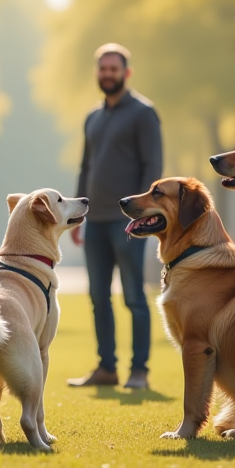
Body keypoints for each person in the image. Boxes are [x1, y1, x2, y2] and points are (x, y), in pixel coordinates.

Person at [66, 43, 163, 390]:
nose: (107, 74)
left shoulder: (143, 113)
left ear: (126, 72)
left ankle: (140, 371)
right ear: (98, 73)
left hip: (129, 225)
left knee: (135, 297)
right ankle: (106, 369)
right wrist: (77, 218)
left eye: (113, 68)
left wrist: (144, 218)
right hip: (95, 222)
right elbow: (85, 167)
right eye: (102, 68)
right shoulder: (93, 117)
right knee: (98, 297)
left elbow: (153, 168)